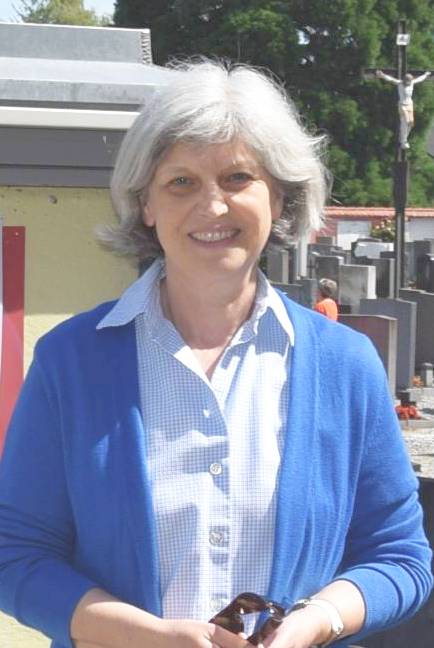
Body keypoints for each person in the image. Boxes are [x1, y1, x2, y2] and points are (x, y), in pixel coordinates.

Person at [0, 59, 432, 648]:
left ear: (278, 197)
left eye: (237, 178)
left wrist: (314, 623)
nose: (213, 206)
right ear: (146, 204)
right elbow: (16, 554)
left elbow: (399, 556)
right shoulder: (70, 362)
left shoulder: (346, 366)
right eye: (181, 182)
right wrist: (143, 636)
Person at [375, 69, 431, 149]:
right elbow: (391, 79)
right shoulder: (400, 83)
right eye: (406, 81)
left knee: (411, 123)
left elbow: (419, 79)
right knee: (405, 121)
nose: (408, 83)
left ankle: (404, 139)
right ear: (404, 80)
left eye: (409, 81)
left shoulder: (412, 83)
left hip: (410, 105)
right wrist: (382, 75)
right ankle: (403, 141)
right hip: (402, 105)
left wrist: (425, 75)